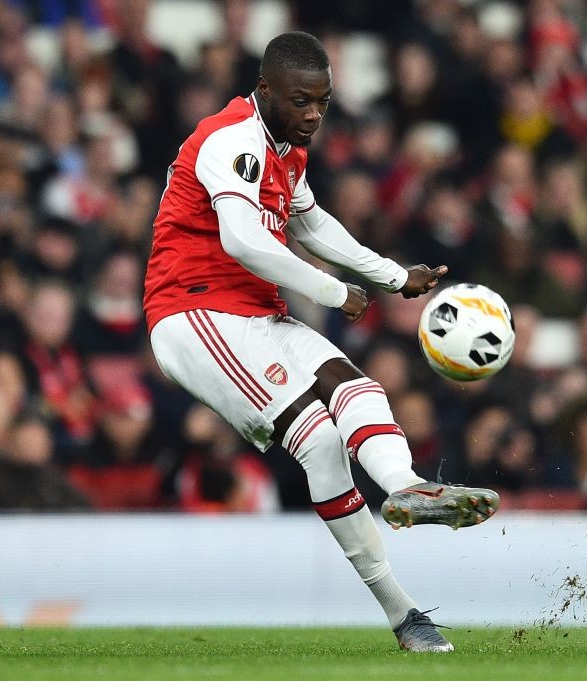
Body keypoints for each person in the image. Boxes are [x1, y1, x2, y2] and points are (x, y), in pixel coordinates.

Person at [143, 32, 499, 652]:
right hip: (193, 310)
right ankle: (403, 585)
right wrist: (335, 293)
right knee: (317, 432)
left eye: (323, 103)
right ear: (265, 92)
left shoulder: (288, 151)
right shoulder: (232, 141)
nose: (313, 115)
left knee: (343, 407)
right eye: (301, 101)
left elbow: (309, 223)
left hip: (252, 312)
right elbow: (245, 242)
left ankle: (408, 508)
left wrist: (392, 275)